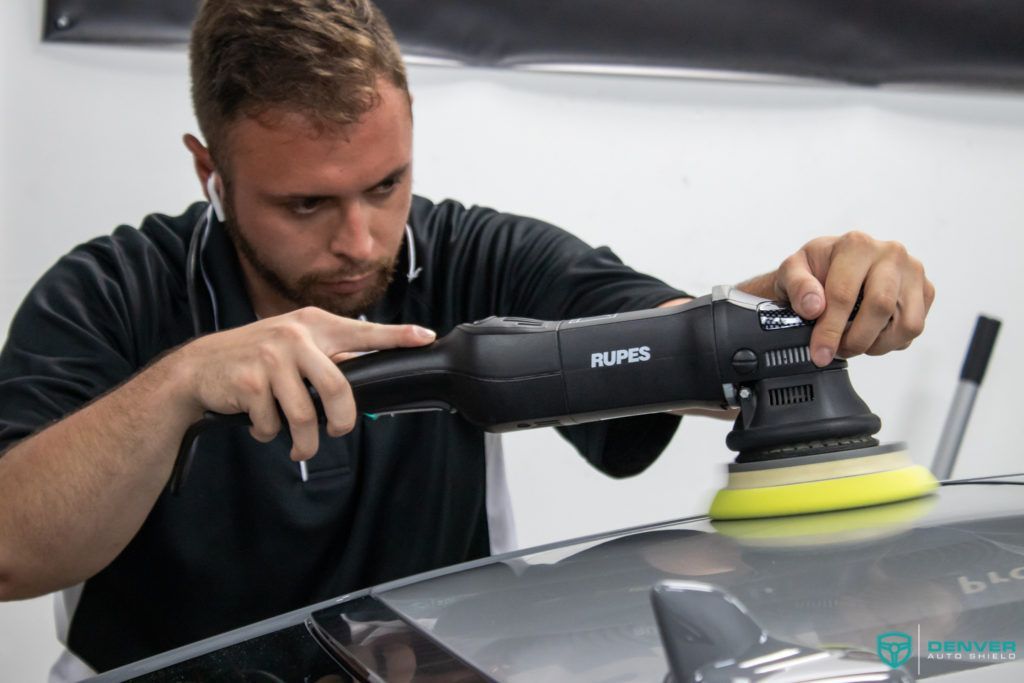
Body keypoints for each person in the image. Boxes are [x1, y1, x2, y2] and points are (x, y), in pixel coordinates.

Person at [0, 0, 934, 678]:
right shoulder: (108, 293)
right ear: (210, 169)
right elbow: (10, 549)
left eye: (386, 184)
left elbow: (675, 339)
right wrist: (177, 387)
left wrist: (803, 294)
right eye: (306, 204)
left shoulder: (478, 258)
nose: (361, 241)